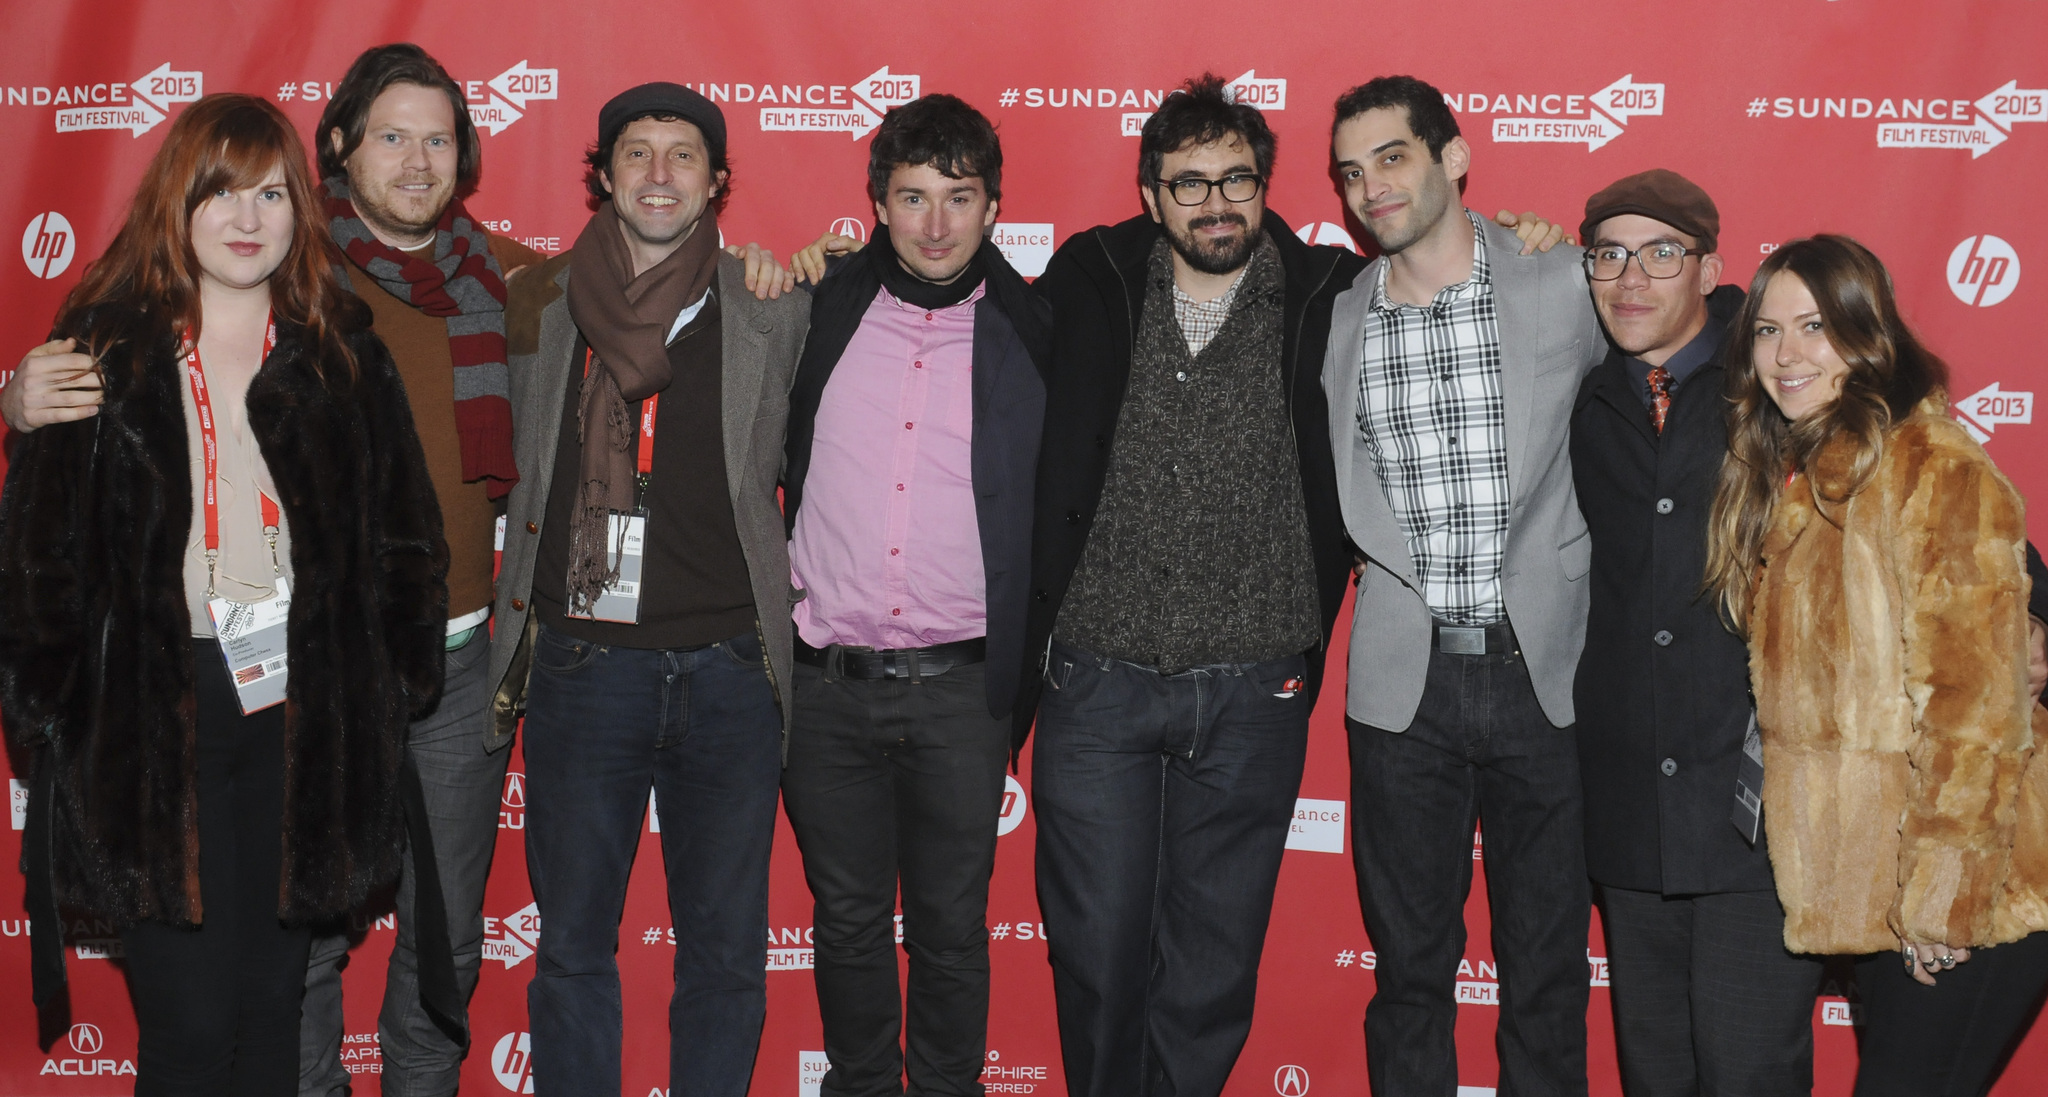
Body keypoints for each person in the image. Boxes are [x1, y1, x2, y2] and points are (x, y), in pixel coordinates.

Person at [0, 49, 536, 1093]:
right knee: (191, 1027)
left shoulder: (338, 345)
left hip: (301, 714)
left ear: (302, 207)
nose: (246, 217)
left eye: (269, 193)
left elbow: (405, 541)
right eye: (219, 192)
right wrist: (54, 715)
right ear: (176, 203)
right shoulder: (101, 346)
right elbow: (37, 560)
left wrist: (387, 692)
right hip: (155, 722)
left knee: (269, 1015)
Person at [1018, 71, 1561, 1097]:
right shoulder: (1085, 278)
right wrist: (826, 267)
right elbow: (966, 320)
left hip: (1253, 693)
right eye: (1188, 184)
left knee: (1213, 964)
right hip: (1094, 684)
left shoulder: (1325, 294)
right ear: (1149, 196)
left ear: (1265, 187)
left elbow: (1468, 277)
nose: (1214, 201)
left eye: (1235, 179)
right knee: (1093, 953)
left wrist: (1526, 234)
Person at [486, 83, 810, 1097]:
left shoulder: (773, 300)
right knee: (574, 942)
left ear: (716, 181)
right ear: (604, 173)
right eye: (636, 152)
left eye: (683, 155)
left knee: (723, 950)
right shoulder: (537, 301)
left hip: (729, 670)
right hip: (583, 669)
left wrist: (822, 253)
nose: (659, 174)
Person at [1701, 234, 2048, 1097]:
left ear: (1868, 334)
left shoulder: (1929, 466)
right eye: (1769, 331)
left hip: (1980, 888)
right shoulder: (1807, 473)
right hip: (1883, 890)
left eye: (1814, 326)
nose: (1786, 354)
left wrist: (1944, 899)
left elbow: (1973, 711)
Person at [1324, 75, 1605, 1096]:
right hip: (1403, 687)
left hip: (1550, 673)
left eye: (1391, 157)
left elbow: (1691, 348)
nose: (1371, 187)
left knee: (1545, 973)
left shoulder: (1560, 280)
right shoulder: (1337, 315)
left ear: (1452, 157)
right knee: (1408, 975)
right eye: (1350, 173)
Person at [777, 92, 1049, 1097]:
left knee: (948, 922)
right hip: (826, 684)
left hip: (959, 690)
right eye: (912, 196)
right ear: (878, 205)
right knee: (844, 917)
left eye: (958, 197)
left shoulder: (1036, 328)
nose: (935, 223)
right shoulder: (812, 308)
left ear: (990, 207)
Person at [1568, 170, 1824, 1096]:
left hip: (1759, 809)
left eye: (1661, 253)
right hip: (1632, 813)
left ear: (1712, 267)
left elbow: (1927, 498)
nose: (1630, 278)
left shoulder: (1780, 377)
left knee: (1747, 1070)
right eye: (1608, 255)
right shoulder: (1584, 395)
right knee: (1658, 1076)